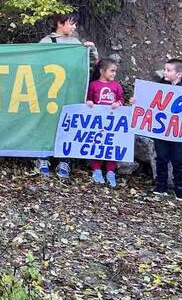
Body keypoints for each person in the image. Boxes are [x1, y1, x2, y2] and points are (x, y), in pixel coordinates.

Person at [36, 12, 99, 178]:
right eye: (71, 23)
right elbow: (36, 63)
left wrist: (91, 50)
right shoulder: (47, 42)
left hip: (70, 90)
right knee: (47, 122)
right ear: (60, 23)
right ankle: (43, 157)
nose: (74, 27)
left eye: (75, 24)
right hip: (49, 92)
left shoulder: (75, 42)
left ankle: (64, 159)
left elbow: (90, 64)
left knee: (67, 123)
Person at [151, 58, 182, 201]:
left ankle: (179, 186)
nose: (165, 72)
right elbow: (149, 101)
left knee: (178, 159)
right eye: (165, 69)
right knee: (161, 157)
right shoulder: (160, 86)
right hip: (161, 130)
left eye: (168, 70)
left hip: (178, 132)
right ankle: (161, 184)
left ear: (179, 74)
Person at [85, 58, 125, 188]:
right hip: (98, 121)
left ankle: (110, 172)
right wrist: (89, 103)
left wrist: (117, 104)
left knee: (111, 145)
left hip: (112, 122)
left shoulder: (116, 86)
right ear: (102, 71)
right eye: (112, 71)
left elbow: (121, 100)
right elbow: (89, 99)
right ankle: (96, 170)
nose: (114, 74)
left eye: (115, 71)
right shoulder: (93, 85)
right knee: (97, 144)